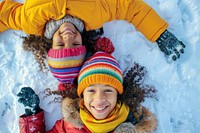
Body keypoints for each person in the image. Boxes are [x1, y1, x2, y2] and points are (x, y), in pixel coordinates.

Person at [1, 0, 185, 64]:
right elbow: (130, 7)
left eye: (60, 43)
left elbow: (3, 14)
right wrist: (159, 33)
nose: (68, 37)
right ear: (82, 40)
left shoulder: (29, 21)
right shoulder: (97, 14)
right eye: (75, 43)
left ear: (50, 45)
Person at [17, 48, 158, 132]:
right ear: (82, 95)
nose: (99, 98)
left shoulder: (134, 126)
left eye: (108, 90)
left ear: (118, 95)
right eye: (91, 90)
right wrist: (33, 114)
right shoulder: (70, 124)